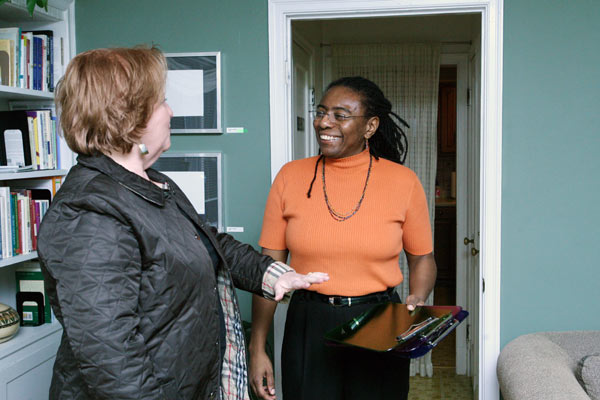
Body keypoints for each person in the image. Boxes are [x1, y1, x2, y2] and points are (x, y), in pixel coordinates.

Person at [36, 46, 328, 400]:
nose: (171, 111)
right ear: (128, 117)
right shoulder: (89, 212)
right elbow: (113, 360)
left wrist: (275, 274)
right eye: (160, 102)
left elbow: (208, 243)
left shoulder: (152, 182)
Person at [249, 76, 437, 400]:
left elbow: (422, 259)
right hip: (309, 322)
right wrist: (257, 346)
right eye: (321, 112)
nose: (324, 122)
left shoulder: (403, 182)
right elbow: (268, 270)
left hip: (380, 321)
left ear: (370, 126)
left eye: (340, 114)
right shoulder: (289, 177)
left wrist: (418, 298)